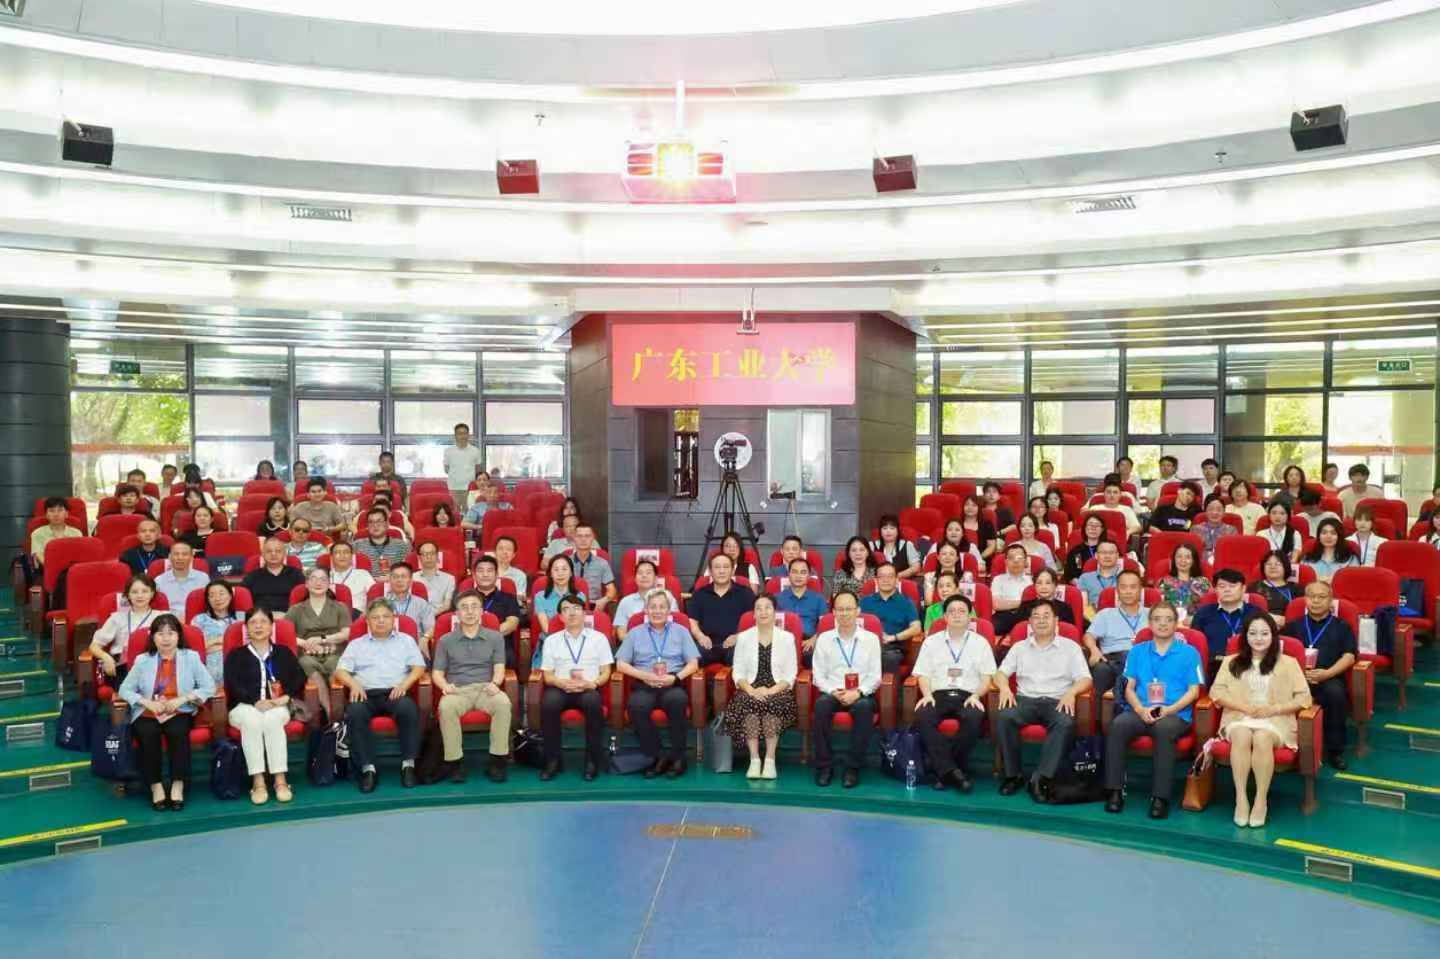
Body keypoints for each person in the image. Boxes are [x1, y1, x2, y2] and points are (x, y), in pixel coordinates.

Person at [1102, 603, 1204, 819]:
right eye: (1157, 619)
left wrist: (1168, 710)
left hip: (1175, 713)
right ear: (1150, 623)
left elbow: (1194, 692)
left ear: (1176, 624)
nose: (1163, 624)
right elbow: (1128, 688)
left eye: (1168, 619)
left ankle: (1160, 797)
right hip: (1141, 709)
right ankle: (1115, 791)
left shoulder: (1189, 653)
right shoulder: (1137, 651)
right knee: (1118, 725)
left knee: (1163, 729)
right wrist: (1140, 709)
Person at [1209, 611, 1311, 827]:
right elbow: (1216, 693)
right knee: (1242, 735)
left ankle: (1260, 800)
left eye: (1264, 633)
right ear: (1245, 636)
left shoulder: (1289, 663)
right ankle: (1241, 798)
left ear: (1273, 636)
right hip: (1239, 716)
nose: (1258, 638)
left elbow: (1304, 698)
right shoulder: (1231, 661)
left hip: (1275, 720)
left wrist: (1273, 709)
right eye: (1253, 633)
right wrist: (1243, 707)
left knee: (1262, 737)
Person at [994, 601, 1092, 801]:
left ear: (1056, 620)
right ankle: (1013, 775)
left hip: (1057, 700)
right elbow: (1000, 673)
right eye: (1036, 617)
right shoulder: (1019, 647)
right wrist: (1004, 688)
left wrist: (1072, 692)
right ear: (1029, 622)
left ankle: (1041, 778)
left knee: (1064, 722)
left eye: (1046, 616)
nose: (1041, 620)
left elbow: (1086, 679)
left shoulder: (1070, 647)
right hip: (1025, 700)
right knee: (1004, 717)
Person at [118, 614, 215, 811]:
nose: (166, 638)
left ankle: (178, 783)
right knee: (148, 733)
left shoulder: (191, 657)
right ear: (153, 637)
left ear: (178, 636)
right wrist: (146, 702)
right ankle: (156, 785)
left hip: (178, 710)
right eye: (160, 634)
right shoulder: (143, 660)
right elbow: (124, 689)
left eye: (171, 633)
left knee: (177, 731)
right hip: (148, 711)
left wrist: (183, 699)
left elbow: (209, 687)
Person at [335, 598, 427, 792]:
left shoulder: (406, 641)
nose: (381, 621)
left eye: (386, 616)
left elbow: (419, 667)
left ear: (394, 619)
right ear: (367, 620)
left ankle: (408, 765)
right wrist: (353, 684)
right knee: (355, 713)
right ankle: (368, 769)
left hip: (395, 692)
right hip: (365, 694)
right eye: (375, 617)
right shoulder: (357, 644)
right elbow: (340, 671)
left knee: (408, 709)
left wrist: (404, 684)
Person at [912, 594, 995, 793]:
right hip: (938, 694)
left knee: (974, 716)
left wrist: (977, 695)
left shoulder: (981, 643)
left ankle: (945, 771)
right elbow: (923, 674)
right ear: (945, 617)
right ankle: (955, 772)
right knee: (923, 714)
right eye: (952, 611)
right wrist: (927, 695)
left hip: (968, 695)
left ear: (970, 616)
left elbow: (987, 678)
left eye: (961, 611)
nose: (957, 615)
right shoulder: (931, 642)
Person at [614, 590, 702, 778]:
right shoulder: (635, 633)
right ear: (646, 610)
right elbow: (621, 664)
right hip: (644, 682)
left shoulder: (681, 631)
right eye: (653, 607)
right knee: (636, 706)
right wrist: (644, 675)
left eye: (662, 607)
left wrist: (676, 678)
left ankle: (678, 758)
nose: (657, 611)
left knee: (677, 701)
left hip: (672, 681)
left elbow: (693, 664)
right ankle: (657, 756)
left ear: (669, 610)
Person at [223, 606, 304, 805]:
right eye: (253, 622)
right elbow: (232, 684)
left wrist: (285, 698)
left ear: (271, 626)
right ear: (246, 628)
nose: (258, 626)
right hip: (244, 707)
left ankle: (280, 780)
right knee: (252, 720)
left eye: (263, 622)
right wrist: (254, 701)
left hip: (277, 706)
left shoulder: (283, 653)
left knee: (272, 719)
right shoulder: (236, 655)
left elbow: (299, 678)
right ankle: (258, 781)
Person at [433, 588, 512, 783]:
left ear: (482, 611)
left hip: (486, 688)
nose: (470, 612)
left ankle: (497, 761)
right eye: (464, 607)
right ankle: (455, 763)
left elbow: (499, 667)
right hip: (458, 690)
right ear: (457, 613)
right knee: (446, 706)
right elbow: (437, 673)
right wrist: (445, 686)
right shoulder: (445, 640)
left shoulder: (495, 637)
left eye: (474, 607)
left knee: (503, 703)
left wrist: (496, 683)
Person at [1280, 581, 1356, 770]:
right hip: (1295, 678)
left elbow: (1349, 657)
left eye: (1321, 597)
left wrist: (1326, 674)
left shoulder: (1342, 626)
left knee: (1335, 694)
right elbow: (1280, 654)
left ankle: (1335, 751)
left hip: (1327, 677)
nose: (1316, 601)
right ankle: (1283, 745)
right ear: (1305, 599)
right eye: (1311, 596)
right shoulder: (1292, 626)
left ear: (1330, 600)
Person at [809, 590, 882, 788]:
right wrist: (833, 691)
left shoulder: (871, 639)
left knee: (864, 708)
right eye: (840, 609)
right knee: (821, 706)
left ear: (858, 611)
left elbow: (875, 676)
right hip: (833, 691)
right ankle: (825, 766)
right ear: (833, 612)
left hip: (861, 692)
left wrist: (858, 692)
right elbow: (818, 675)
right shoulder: (824, 638)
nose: (844, 613)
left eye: (849, 609)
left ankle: (852, 767)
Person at [538, 595, 614, 781]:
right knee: (549, 703)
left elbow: (606, 672)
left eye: (576, 608)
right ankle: (553, 760)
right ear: (560, 617)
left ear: (584, 613)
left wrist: (592, 684)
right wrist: (561, 683)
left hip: (588, 687)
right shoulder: (552, 640)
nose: (571, 613)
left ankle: (592, 760)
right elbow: (548, 676)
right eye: (566, 609)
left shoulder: (599, 639)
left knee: (593, 702)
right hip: (561, 687)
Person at [727, 593, 799, 780]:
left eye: (768, 607)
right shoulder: (744, 638)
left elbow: (790, 674)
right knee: (748, 705)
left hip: (778, 689)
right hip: (750, 688)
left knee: (771, 707)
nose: (763, 612)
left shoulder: (787, 638)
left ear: (775, 612)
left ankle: (770, 760)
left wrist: (770, 690)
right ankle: (754, 759)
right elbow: (738, 672)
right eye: (758, 608)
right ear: (753, 613)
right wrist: (751, 690)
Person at [285, 567, 352, 724]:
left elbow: (346, 634)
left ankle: (339, 714)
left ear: (329, 584)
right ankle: (331, 716)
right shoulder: (296, 610)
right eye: (313, 579)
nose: (318, 583)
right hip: (307, 653)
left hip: (334, 651)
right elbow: (285, 634)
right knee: (307, 664)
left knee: (335, 664)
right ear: (306, 584)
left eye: (323, 579)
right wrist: (305, 643)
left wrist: (323, 639)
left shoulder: (340, 607)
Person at [1082, 569, 1148, 699]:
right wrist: (1094, 649)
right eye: (1123, 587)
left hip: (1144, 659)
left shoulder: (1152, 614)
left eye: (1133, 587)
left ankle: (1120, 690)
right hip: (1113, 660)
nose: (1128, 591)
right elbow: (1088, 636)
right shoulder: (1105, 614)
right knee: (1101, 670)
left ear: (1140, 590)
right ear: (1117, 590)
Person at [685, 552, 755, 668]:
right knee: (693, 656)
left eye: (726, 567)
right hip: (707, 644)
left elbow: (754, 622)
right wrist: (700, 636)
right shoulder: (699, 594)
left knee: (742, 655)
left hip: (735, 644)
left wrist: (739, 636)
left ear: (733, 570)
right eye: (717, 567)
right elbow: (692, 621)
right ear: (710, 571)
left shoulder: (746, 593)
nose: (721, 571)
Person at [90, 574, 162, 682]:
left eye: (145, 591)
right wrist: (106, 657)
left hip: (153, 665)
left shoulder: (162, 617)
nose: (140, 596)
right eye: (134, 592)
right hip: (123, 667)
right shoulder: (117, 618)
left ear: (152, 593)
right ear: (128, 595)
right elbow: (94, 646)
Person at [1191, 568, 1265, 663]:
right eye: (1222, 586)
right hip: (1213, 666)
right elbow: (1194, 645)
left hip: (1249, 664)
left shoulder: (1257, 613)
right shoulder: (1203, 613)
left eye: (1232, 586)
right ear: (1216, 590)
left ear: (1243, 589)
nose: (1227, 590)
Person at [859, 561, 921, 675]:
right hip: (867, 647)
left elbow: (916, 628)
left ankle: (888, 687)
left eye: (890, 576)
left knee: (889, 658)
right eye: (882, 576)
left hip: (893, 648)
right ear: (876, 580)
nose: (885, 580)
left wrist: (893, 637)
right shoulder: (865, 602)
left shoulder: (906, 602)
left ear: (897, 580)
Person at [468, 555, 522, 667]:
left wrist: (486, 637)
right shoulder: (464, 599)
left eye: (489, 571)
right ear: (474, 575)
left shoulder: (509, 598)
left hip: (499, 645)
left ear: (497, 575)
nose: (485, 574)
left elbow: (512, 623)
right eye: (480, 571)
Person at [612, 559, 678, 641]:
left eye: (648, 573)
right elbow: (621, 634)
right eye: (640, 573)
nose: (644, 576)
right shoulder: (625, 602)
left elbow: (676, 629)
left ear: (656, 579)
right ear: (635, 579)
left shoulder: (669, 598)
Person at [381, 562, 437, 658]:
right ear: (389, 580)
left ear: (411, 580)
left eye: (403, 576)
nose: (399, 580)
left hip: (414, 649)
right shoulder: (379, 604)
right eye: (395, 577)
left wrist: (425, 638)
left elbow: (431, 627)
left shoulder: (421, 604)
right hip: (385, 650)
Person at [192, 580, 242, 683]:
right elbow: (195, 650)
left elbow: (247, 646)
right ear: (208, 600)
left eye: (221, 593)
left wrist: (212, 645)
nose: (217, 598)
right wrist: (224, 642)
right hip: (206, 673)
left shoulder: (242, 618)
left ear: (230, 596)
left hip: (239, 668)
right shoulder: (198, 620)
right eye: (212, 595)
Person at [242, 538, 306, 616]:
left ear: (284, 554)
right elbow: (243, 601)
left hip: (289, 617)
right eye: (269, 551)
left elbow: (304, 601)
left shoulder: (296, 575)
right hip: (260, 618)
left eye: (278, 551)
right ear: (263, 554)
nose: (273, 554)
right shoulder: (252, 576)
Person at [568, 524, 617, 613]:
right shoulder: (565, 562)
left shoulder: (602, 563)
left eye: (587, 536)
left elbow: (612, 590)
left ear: (593, 538)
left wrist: (604, 600)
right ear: (574, 538)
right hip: (569, 605)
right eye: (579, 536)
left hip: (593, 606)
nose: (583, 539)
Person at [774, 557, 827, 639]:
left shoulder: (819, 599)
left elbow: (825, 626)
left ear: (808, 576)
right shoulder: (776, 598)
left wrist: (814, 639)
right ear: (788, 575)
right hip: (784, 640)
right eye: (794, 572)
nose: (798, 576)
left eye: (803, 572)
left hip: (809, 641)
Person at [990, 544, 1034, 637]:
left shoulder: (1032, 580)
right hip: (1004, 615)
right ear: (1006, 561)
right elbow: (996, 605)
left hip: (1027, 615)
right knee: (993, 627)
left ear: (1026, 561)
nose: (1015, 561)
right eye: (1011, 558)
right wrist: (1023, 603)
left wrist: (1008, 603)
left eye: (1019, 558)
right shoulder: (998, 580)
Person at [153, 541, 208, 614]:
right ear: (169, 557)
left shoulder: (203, 578)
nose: (180, 558)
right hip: (168, 618)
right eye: (176, 554)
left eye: (184, 554)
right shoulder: (159, 580)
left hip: (196, 617)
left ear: (191, 558)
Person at [1155, 543, 1210, 614]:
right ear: (1174, 559)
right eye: (1179, 556)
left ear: (1194, 560)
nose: (1183, 560)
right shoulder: (1164, 582)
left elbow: (1208, 608)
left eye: (1188, 557)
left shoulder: (1203, 582)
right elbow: (1158, 608)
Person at [1075, 540, 1124, 621]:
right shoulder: (1085, 578)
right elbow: (1084, 608)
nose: (1107, 556)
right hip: (1094, 622)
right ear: (1096, 555)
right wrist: (1100, 623)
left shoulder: (1127, 579)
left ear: (1117, 556)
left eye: (1111, 553)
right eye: (1103, 553)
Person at [352, 507, 410, 574]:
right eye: (371, 522)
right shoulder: (356, 546)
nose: (375, 525)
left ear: (387, 523)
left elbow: (408, 571)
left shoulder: (401, 546)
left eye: (379, 521)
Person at [534, 554, 581, 637]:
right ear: (550, 574)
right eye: (556, 570)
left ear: (571, 573)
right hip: (550, 641)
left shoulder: (579, 596)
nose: (560, 573)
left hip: (574, 640)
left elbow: (580, 626)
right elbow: (546, 629)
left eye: (564, 569)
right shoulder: (540, 597)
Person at [29, 496, 80, 571]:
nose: (56, 514)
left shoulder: (76, 533)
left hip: (72, 570)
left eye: (60, 510)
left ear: (66, 514)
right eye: (51, 511)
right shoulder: (37, 533)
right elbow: (39, 556)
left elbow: (78, 557)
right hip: (46, 570)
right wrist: (55, 569)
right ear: (46, 515)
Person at [1301, 517, 1358, 583]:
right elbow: (1303, 580)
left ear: (1339, 536)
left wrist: (1334, 580)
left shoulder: (1351, 558)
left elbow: (1353, 581)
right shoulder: (1308, 558)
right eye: (1324, 533)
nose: (1328, 536)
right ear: (1319, 536)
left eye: (1333, 533)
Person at [326, 541, 374, 614]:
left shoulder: (363, 574)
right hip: (330, 613)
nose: (342, 556)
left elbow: (375, 596)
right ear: (332, 557)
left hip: (356, 613)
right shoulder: (324, 576)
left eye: (346, 552)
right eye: (337, 552)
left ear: (351, 556)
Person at [443, 423, 484, 505]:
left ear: (468, 435)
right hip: (453, 488)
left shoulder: (475, 451)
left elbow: (478, 469)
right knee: (454, 511)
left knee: (470, 511)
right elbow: (446, 469)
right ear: (455, 436)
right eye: (460, 433)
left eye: (465, 433)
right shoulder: (448, 451)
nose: (462, 436)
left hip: (470, 488)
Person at [869, 516, 920, 581]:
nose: (888, 531)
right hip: (878, 583)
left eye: (892, 528)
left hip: (901, 581)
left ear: (897, 531)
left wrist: (897, 576)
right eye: (885, 528)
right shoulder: (871, 546)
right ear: (880, 531)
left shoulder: (907, 545)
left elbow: (916, 567)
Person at [1249, 550, 1298, 616]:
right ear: (1263, 567)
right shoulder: (1252, 588)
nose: (1272, 567)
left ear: (1285, 566)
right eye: (1268, 564)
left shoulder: (1296, 589)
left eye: (1278, 564)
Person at [1063, 515, 1110, 582]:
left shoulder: (1110, 548)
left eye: (1097, 525)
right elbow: (1071, 575)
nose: (1093, 528)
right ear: (1085, 528)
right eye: (1090, 525)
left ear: (1102, 529)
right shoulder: (1077, 552)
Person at [414, 541, 456, 613]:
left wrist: (430, 616)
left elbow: (447, 605)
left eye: (432, 553)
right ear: (419, 557)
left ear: (437, 556)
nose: (429, 557)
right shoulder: (412, 578)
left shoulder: (449, 579)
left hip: (439, 615)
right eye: (425, 554)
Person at [1193, 494, 1235, 560]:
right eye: (1211, 509)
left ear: (1224, 512)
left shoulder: (1231, 530)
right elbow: (1193, 553)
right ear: (1205, 511)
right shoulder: (1196, 529)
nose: (1214, 513)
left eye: (1219, 510)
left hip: (1223, 562)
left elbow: (1232, 553)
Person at [957, 495, 998, 561]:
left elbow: (991, 546)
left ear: (979, 508)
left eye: (974, 505)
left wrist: (978, 558)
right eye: (967, 504)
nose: (970, 507)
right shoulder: (957, 523)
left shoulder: (986, 524)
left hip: (981, 559)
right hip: (959, 559)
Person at [923, 542, 964, 606]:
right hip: (936, 610)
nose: (947, 557)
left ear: (957, 558)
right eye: (944, 554)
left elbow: (967, 601)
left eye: (951, 554)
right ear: (938, 557)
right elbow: (928, 603)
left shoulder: (965, 577)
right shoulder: (930, 576)